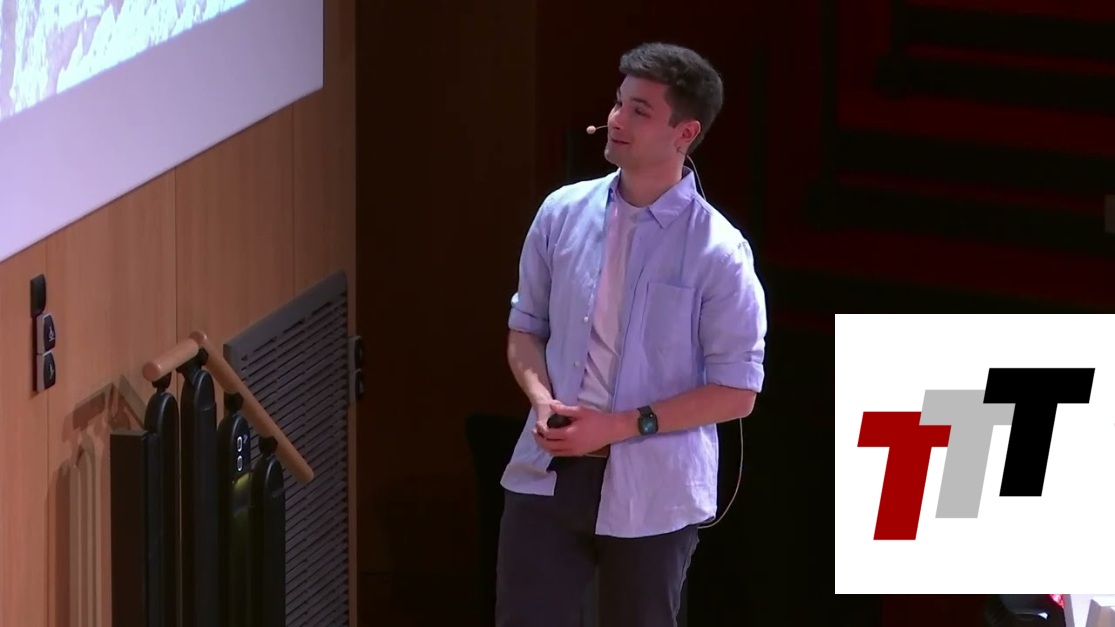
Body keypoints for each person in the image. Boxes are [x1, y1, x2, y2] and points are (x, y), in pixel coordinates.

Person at [496, 41, 767, 627]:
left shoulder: (719, 252)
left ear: (684, 132)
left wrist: (618, 426)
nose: (616, 119)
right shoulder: (561, 212)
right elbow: (525, 330)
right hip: (549, 473)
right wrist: (541, 400)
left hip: (655, 490)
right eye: (618, 103)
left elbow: (737, 392)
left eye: (640, 110)